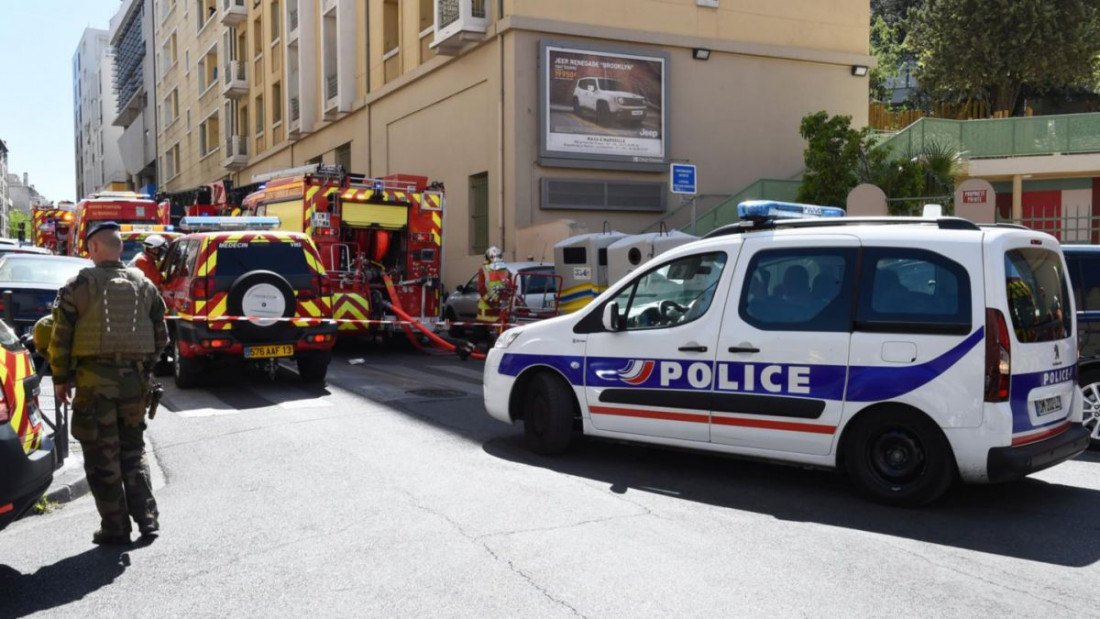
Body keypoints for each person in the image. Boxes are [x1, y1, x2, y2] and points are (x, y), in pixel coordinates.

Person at [50, 221, 169, 546]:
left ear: (95, 248)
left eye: (89, 248)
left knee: (102, 456)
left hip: (93, 385)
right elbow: (162, 335)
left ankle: (115, 527)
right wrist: (142, 368)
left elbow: (61, 338)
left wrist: (60, 380)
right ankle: (148, 520)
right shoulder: (145, 285)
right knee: (133, 450)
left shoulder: (78, 285)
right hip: (133, 383)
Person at [476, 246, 510, 325]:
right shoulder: (505, 270)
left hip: (487, 312)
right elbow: (509, 286)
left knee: (482, 335)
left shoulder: (484, 269)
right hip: (500, 309)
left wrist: (492, 303)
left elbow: (481, 289)